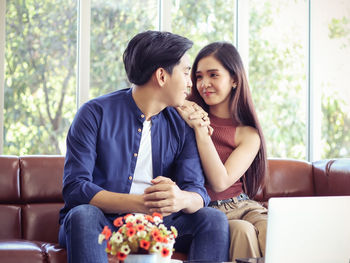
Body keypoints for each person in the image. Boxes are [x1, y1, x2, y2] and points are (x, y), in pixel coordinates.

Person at [58, 31, 230, 263]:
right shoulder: (94, 114)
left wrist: (180, 199)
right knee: (83, 215)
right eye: (186, 72)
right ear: (161, 76)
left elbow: (197, 191)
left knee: (212, 219)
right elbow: (75, 188)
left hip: (159, 225)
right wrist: (143, 204)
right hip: (103, 223)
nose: (191, 84)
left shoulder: (181, 124)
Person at [177, 42, 268, 262]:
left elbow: (224, 180)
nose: (203, 84)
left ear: (234, 79)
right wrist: (199, 127)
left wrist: (200, 128)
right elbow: (216, 185)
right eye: (198, 76)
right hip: (209, 212)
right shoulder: (184, 113)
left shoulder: (248, 134)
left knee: (273, 230)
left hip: (243, 205)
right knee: (242, 231)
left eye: (213, 75)